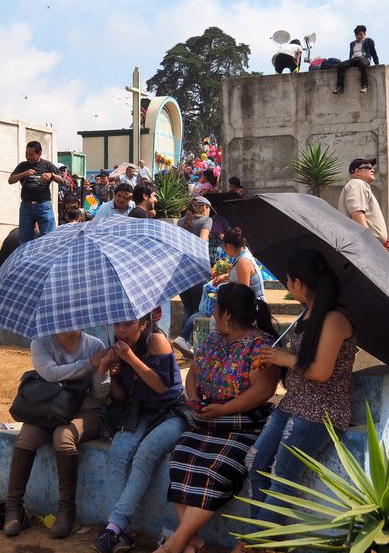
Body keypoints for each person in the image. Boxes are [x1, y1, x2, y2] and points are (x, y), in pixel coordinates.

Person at [154, 283, 279, 553]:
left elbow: (264, 390)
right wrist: (194, 398)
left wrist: (224, 409)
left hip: (243, 424)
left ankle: (176, 543)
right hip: (208, 421)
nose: (213, 314)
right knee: (181, 456)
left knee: (216, 466)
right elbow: (195, 374)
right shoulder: (212, 340)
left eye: (216, 309)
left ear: (228, 314)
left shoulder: (261, 345)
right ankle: (193, 539)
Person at [244, 249, 356, 528]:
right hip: (294, 404)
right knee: (254, 462)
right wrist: (274, 358)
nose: (287, 286)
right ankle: (263, 540)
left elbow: (321, 371)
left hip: (322, 412)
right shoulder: (307, 314)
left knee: (282, 475)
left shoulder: (335, 320)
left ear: (298, 284)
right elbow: (299, 362)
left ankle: (253, 544)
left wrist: (284, 357)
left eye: (288, 281)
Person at [91, 313, 188, 553]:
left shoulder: (157, 341)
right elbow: (122, 397)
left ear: (143, 324)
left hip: (171, 414)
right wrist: (109, 372)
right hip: (139, 413)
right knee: (118, 453)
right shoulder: (117, 349)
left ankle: (113, 528)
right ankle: (120, 531)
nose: (121, 330)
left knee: (145, 454)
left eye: (128, 324)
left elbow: (161, 386)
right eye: (117, 324)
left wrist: (131, 359)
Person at [4, 329, 110, 539]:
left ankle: (66, 509)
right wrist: (90, 363)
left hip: (86, 410)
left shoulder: (95, 345)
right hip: (51, 409)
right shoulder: (41, 343)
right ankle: (13, 507)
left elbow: (100, 394)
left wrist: (103, 369)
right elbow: (50, 373)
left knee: (63, 437)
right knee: (27, 437)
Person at [173, 227, 264, 359]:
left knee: (215, 321)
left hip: (250, 308)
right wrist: (224, 277)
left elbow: (243, 293)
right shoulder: (241, 257)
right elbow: (238, 277)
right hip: (242, 305)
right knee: (215, 320)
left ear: (228, 246)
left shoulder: (243, 262)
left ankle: (219, 356)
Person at [171, 198, 213, 358]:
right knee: (200, 308)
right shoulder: (206, 220)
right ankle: (183, 338)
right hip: (197, 269)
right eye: (209, 207)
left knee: (189, 308)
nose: (209, 211)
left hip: (180, 271)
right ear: (203, 207)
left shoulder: (181, 221)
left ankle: (186, 343)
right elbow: (202, 242)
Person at [9, 141, 63, 243]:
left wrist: (52, 175)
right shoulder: (22, 166)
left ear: (39, 153)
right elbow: (10, 180)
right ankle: (25, 258)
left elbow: (62, 181)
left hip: (43, 207)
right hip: (26, 207)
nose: (28, 157)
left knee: (49, 238)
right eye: (26, 154)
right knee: (24, 239)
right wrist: (24, 173)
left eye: (31, 154)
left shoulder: (47, 165)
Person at [338, 157, 387, 244]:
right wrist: (369, 242)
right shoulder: (357, 184)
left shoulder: (359, 185)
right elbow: (357, 212)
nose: (372, 170)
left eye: (372, 168)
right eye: (368, 168)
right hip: (365, 245)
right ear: (357, 171)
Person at [333, 25, 379, 95]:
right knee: (341, 65)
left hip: (364, 58)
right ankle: (340, 87)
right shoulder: (352, 43)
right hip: (354, 59)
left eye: (361, 34)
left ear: (364, 34)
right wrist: (348, 63)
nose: (359, 36)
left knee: (362, 64)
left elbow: (373, 52)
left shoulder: (369, 41)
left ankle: (364, 86)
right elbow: (351, 54)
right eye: (357, 35)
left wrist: (377, 64)